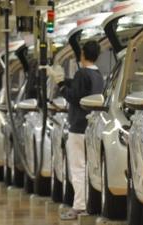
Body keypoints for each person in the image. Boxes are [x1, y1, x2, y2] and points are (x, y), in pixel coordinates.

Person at [48, 40, 104, 220]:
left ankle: (79, 206)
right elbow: (82, 89)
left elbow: (75, 97)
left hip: (78, 127)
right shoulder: (98, 75)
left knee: (77, 168)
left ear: (82, 55)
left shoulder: (81, 73)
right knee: (90, 169)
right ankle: (91, 204)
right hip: (92, 127)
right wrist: (65, 80)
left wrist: (60, 85)